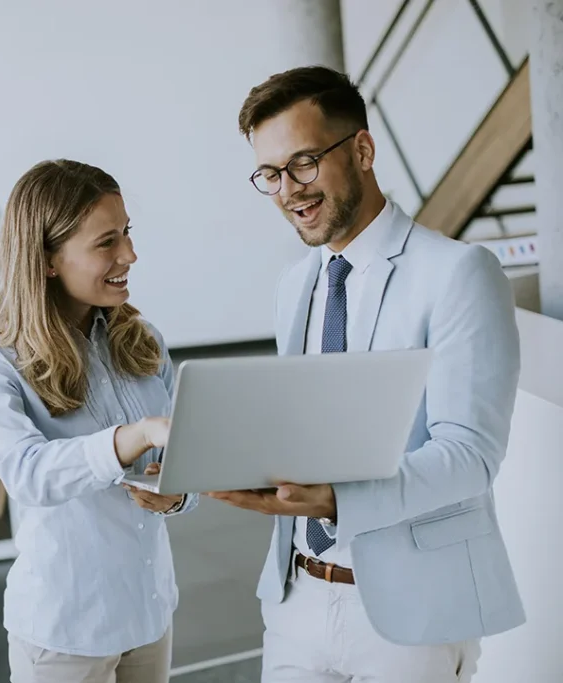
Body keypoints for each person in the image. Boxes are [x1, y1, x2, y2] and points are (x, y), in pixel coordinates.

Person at [207, 66, 523, 682]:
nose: (288, 190)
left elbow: (471, 455)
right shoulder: (296, 285)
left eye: (303, 162)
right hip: (297, 598)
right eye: (270, 174)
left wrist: (338, 500)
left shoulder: (458, 274)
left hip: (411, 616)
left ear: (363, 149)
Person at [0, 159, 197, 683]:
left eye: (127, 233)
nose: (130, 255)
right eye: (106, 242)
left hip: (150, 612)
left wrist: (178, 494)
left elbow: (186, 459)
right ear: (46, 259)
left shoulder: (143, 340)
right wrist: (129, 439)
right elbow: (26, 474)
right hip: (65, 632)